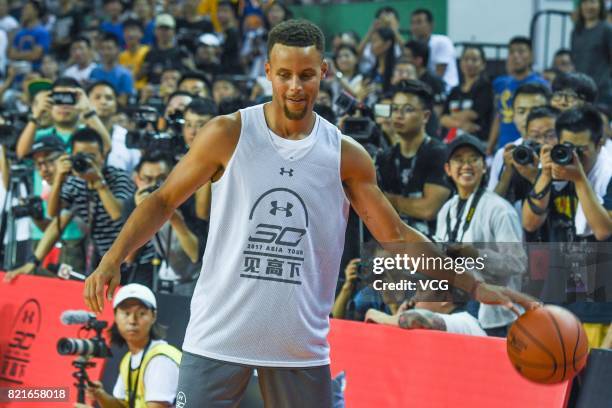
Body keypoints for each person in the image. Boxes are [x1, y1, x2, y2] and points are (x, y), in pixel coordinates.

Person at [84, 20, 538, 407]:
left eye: (306, 74)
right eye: (284, 75)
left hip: (299, 345)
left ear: (323, 72)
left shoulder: (346, 155)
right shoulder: (228, 133)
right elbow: (163, 200)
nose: (295, 86)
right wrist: (112, 258)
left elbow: (395, 233)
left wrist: (474, 284)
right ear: (267, 73)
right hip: (217, 334)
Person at [435, 134, 526, 336]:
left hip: (494, 317)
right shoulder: (446, 210)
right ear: (448, 169)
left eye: (473, 159)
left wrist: (475, 254)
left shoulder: (500, 209)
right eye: (459, 159)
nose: (466, 165)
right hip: (453, 308)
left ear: (484, 167)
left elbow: (517, 263)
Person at [83, 284, 181, 408]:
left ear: (153, 316)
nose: (132, 320)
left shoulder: (161, 360)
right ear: (116, 317)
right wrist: (100, 395)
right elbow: (123, 406)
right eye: (126, 313)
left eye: (141, 313)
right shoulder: (128, 359)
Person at [375, 80, 451, 238]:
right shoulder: (385, 157)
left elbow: (428, 209)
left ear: (425, 116)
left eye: (407, 109)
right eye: (395, 109)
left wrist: (386, 200)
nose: (398, 115)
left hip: (434, 246)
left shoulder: (439, 153)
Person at [125, 152, 204, 296]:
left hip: (197, 278)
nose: (155, 186)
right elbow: (129, 257)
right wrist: (141, 215)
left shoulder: (188, 200)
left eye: (162, 179)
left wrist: (173, 216)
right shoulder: (133, 203)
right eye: (148, 179)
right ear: (137, 179)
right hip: (166, 273)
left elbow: (196, 255)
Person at [488, 82, 550, 199]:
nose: (527, 117)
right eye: (521, 111)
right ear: (513, 115)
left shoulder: (558, 153)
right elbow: (492, 203)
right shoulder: (503, 154)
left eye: (535, 111)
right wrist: (507, 173)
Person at [487, 36, 548, 154]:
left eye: (521, 51)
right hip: (503, 149)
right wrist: (490, 147)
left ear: (531, 56)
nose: (515, 55)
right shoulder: (502, 83)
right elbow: (499, 116)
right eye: (511, 52)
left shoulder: (541, 85)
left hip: (531, 149)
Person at [365, 286, 487, 336]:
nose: (414, 298)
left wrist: (376, 315)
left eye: (422, 291)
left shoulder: (464, 322)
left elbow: (413, 319)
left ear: (445, 298)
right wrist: (398, 317)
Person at [440, 45, 493, 143]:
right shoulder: (455, 90)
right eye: (466, 59)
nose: (469, 63)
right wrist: (461, 125)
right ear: (460, 63)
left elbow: (472, 114)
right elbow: (443, 118)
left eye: (474, 60)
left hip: (477, 142)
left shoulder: (485, 87)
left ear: (483, 64)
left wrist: (451, 117)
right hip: (452, 142)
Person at [571, 0, 612, 104]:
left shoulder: (607, 29)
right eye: (584, 2)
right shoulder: (576, 31)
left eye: (593, 2)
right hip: (580, 90)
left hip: (601, 90)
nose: (588, 6)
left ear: (600, 5)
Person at [409, 8, 459, 91]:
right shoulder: (414, 45)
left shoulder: (442, 41)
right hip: (423, 87)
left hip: (445, 89)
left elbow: (438, 76)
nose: (415, 27)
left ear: (431, 25)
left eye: (419, 22)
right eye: (412, 23)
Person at [89, 33, 135, 106]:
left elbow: (123, 101)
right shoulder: (94, 72)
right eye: (102, 49)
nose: (105, 52)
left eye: (109, 48)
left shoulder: (125, 75)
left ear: (117, 50)